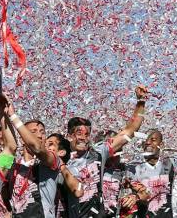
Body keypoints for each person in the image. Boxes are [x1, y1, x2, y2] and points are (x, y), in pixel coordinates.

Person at [60, 85, 149, 218]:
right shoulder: (60, 160)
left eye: (87, 134)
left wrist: (141, 101)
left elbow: (129, 131)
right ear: (68, 136)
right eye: (78, 133)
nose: (83, 138)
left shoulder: (98, 153)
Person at [6, 107, 83, 217]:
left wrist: (13, 116)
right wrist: (2, 115)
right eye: (33, 132)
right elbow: (7, 151)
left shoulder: (51, 160)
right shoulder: (11, 165)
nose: (39, 135)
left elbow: (37, 148)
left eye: (42, 132)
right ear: (22, 137)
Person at [126, 129, 177, 218]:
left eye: (153, 140)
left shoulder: (170, 163)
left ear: (161, 145)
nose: (148, 142)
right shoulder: (133, 168)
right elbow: (136, 194)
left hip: (167, 215)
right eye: (146, 140)